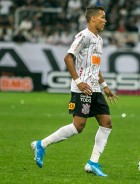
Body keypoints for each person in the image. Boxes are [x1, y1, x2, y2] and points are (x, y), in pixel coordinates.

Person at [31, 5, 119, 177]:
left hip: (94, 89)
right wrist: (78, 82)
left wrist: (104, 86)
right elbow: (68, 57)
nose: (105, 20)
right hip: (82, 90)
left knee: (106, 123)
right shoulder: (83, 36)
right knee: (78, 126)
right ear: (93, 18)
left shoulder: (99, 40)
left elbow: (95, 66)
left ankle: (92, 162)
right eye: (102, 17)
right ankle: (42, 144)